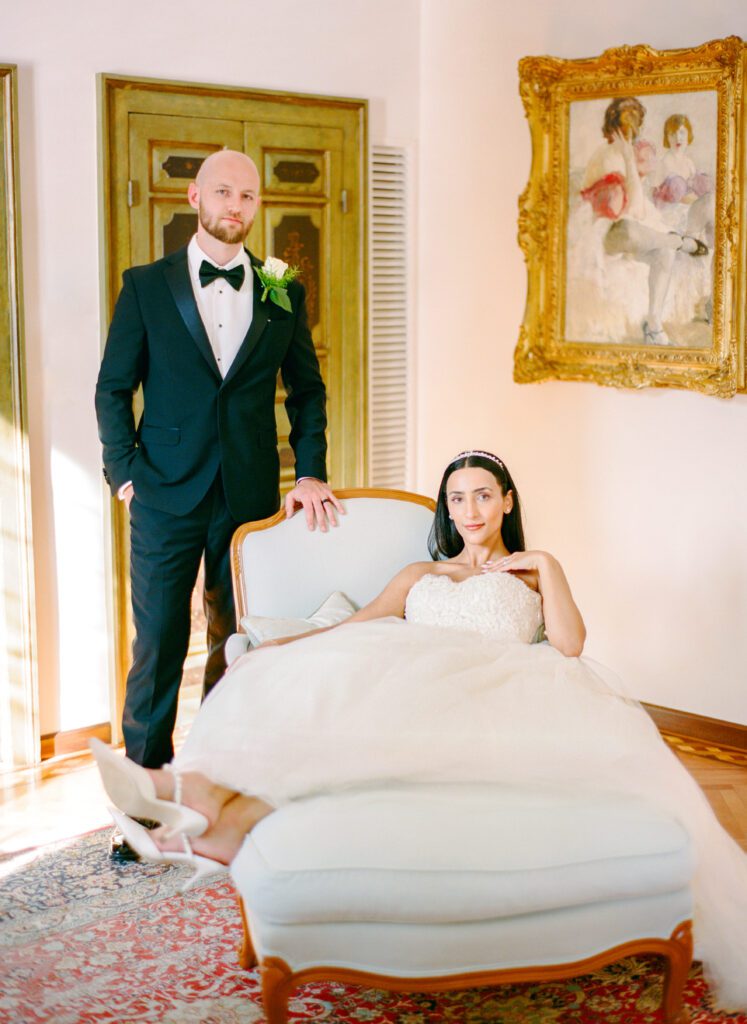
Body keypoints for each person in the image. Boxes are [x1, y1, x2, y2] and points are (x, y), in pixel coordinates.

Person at [92, 450, 747, 1011]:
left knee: (358, 738)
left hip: (499, 698)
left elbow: (571, 646)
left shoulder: (528, 571)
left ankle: (196, 816)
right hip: (407, 683)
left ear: (505, 500)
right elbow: (361, 626)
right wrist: (275, 653)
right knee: (310, 701)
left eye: (483, 496)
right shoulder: (420, 574)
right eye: (457, 497)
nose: (469, 510)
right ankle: (186, 795)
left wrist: (544, 564)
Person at [95, 149, 342, 781]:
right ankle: (144, 794)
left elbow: (308, 390)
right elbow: (113, 387)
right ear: (195, 200)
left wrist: (309, 471)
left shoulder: (282, 288)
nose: (236, 206)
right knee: (157, 644)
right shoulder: (146, 286)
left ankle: (217, 775)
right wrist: (124, 472)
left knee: (235, 641)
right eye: (224, 193)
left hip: (249, 494)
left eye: (248, 196)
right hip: (162, 493)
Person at [578, 97, 708, 346]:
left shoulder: (627, 157)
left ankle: (654, 324)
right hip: (603, 231)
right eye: (624, 130)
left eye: (633, 130)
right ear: (612, 130)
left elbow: (641, 209)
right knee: (629, 230)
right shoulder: (607, 156)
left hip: (632, 229)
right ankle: (679, 242)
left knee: (664, 253)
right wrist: (628, 160)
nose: (630, 136)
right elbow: (629, 212)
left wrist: (630, 161)